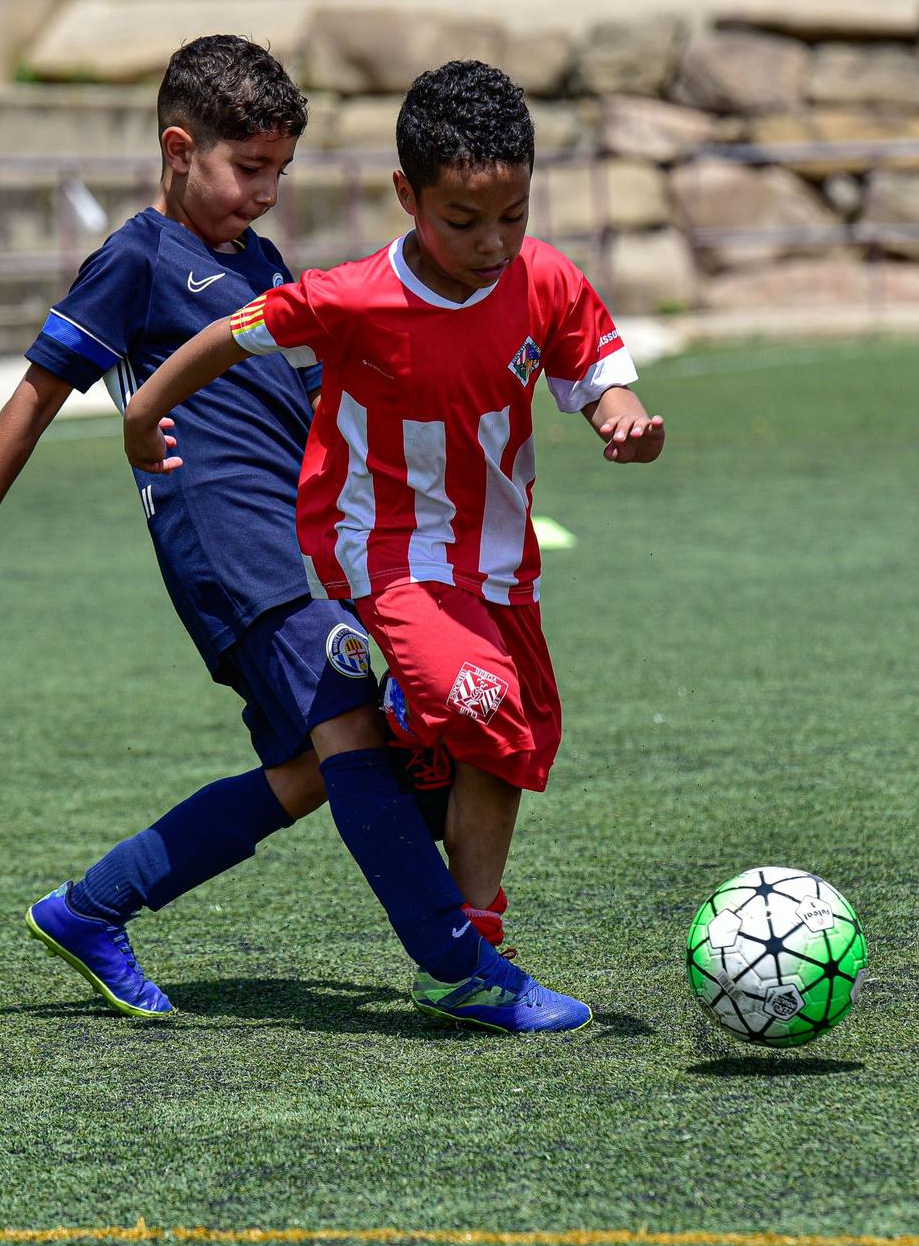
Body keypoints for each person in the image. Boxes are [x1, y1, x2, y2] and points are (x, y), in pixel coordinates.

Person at [0, 37, 564, 1032]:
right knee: (350, 726)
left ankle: (91, 910)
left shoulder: (259, 265)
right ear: (179, 150)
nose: (265, 193)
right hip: (229, 545)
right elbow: (37, 394)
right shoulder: (137, 258)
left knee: (312, 773)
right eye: (247, 169)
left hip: (307, 546)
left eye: (280, 171)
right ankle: (460, 966)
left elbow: (329, 407)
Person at [122, 59, 664, 1029]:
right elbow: (231, 333)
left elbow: (593, 369)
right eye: (462, 221)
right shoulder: (355, 296)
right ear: (408, 197)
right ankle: (451, 942)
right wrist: (145, 412)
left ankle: (476, 934)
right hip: (381, 551)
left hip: (496, 560)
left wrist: (621, 418)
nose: (491, 242)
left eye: (512, 216)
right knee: (483, 706)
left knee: (513, 746)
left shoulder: (543, 280)